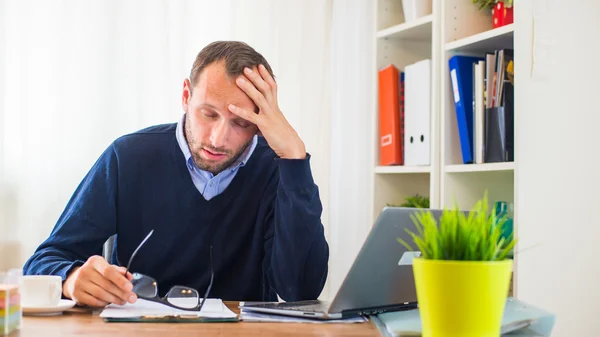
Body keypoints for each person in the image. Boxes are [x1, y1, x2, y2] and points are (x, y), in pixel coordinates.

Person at [22, 41, 329, 307]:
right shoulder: (128, 157)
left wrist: (294, 159)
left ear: (262, 121)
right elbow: (44, 260)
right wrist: (70, 277)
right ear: (186, 96)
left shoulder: (279, 169)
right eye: (209, 114)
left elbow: (299, 290)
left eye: (241, 123)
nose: (218, 139)